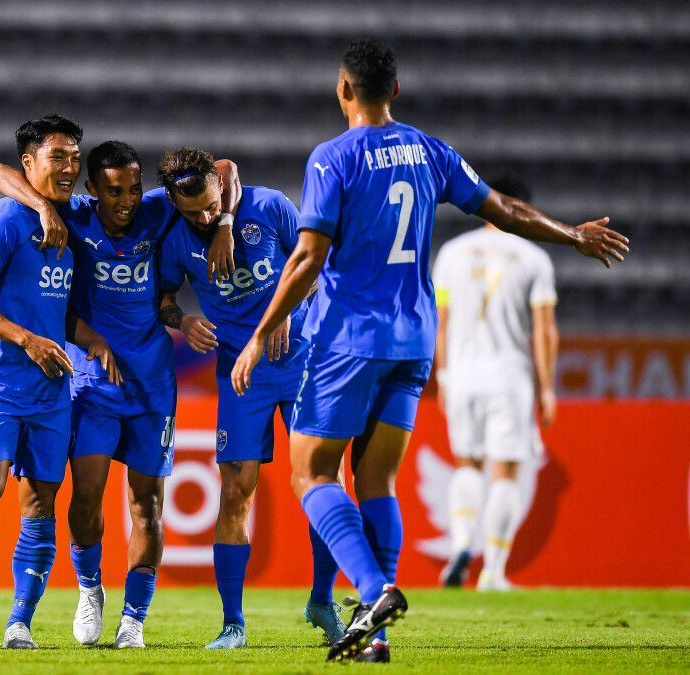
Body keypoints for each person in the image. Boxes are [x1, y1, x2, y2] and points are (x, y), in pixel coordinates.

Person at [230, 38, 627, 663]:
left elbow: (308, 256)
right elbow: (504, 208)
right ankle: (374, 637)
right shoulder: (431, 151)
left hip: (348, 340)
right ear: (396, 90)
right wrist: (571, 233)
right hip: (413, 338)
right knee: (377, 480)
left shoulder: (333, 158)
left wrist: (259, 335)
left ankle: (372, 590)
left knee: (312, 472)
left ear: (342, 89)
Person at [0, 141, 239, 649]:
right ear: (92, 193)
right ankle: (89, 586)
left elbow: (225, 168)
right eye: (113, 191)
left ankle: (134, 620)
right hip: (92, 386)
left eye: (133, 188)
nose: (126, 201)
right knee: (86, 496)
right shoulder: (73, 217)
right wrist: (40, 205)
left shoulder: (158, 211)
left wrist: (227, 221)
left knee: (146, 504)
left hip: (152, 388)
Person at [0, 114, 119, 651]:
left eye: (73, 157)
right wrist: (26, 340)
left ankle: (20, 623)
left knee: (39, 503)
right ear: (30, 164)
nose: (68, 166)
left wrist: (89, 339)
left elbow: (53, 312)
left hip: (52, 389)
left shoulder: (76, 218)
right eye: (56, 157)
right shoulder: (1, 221)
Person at [155, 146, 347, 649]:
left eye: (206, 207)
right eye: (189, 211)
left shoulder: (270, 207)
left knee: (323, 480)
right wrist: (183, 320)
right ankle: (233, 624)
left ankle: (322, 599)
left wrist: (286, 309)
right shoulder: (175, 240)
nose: (200, 216)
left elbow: (316, 264)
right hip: (241, 373)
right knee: (236, 490)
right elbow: (163, 297)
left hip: (302, 358)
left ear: (220, 188)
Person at [433, 175, 559, 592]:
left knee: (466, 464)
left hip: (462, 376)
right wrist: (546, 388)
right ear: (523, 209)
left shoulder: (452, 253)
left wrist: (444, 375)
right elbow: (543, 332)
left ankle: (462, 543)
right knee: (504, 472)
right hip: (509, 377)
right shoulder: (534, 258)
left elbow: (442, 323)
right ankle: (493, 570)